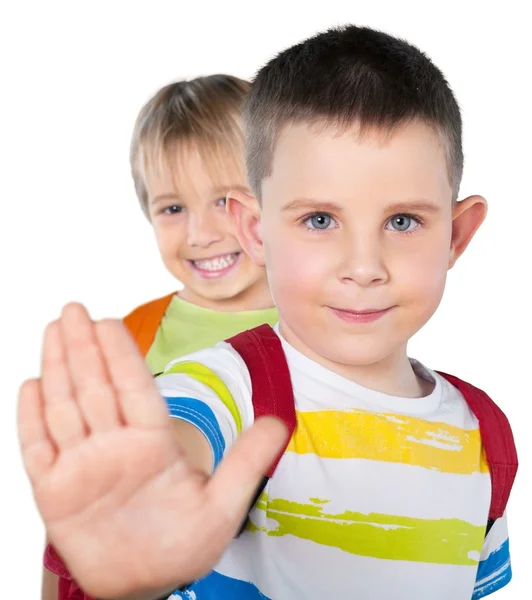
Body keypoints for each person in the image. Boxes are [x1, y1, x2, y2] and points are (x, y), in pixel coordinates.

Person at [21, 25, 515, 600]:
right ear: (256, 231)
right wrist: (139, 521)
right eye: (320, 221)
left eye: (402, 221)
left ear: (456, 235)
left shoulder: (487, 432)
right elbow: (177, 443)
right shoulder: (228, 387)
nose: (363, 266)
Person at [40, 74, 277, 600]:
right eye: (173, 208)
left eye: (226, 201)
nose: (200, 233)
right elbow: (72, 516)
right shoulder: (128, 344)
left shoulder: (325, 325)